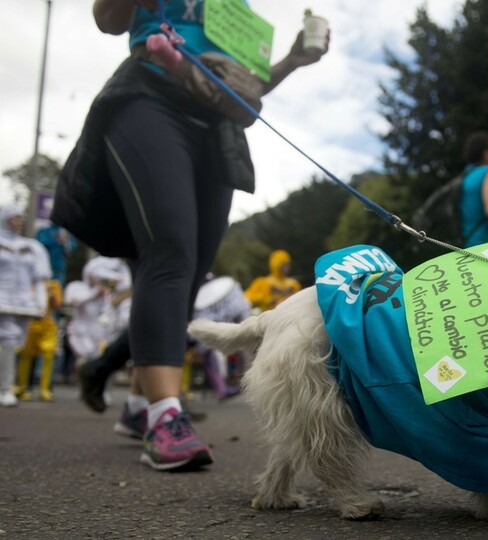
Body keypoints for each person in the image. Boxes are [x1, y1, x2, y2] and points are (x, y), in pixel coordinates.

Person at [52, 0, 329, 470]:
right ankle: (165, 416)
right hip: (149, 98)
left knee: (191, 270)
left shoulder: (235, 11)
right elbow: (107, 19)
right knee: (170, 252)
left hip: (219, 127)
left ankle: (140, 406)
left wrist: (294, 59)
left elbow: (249, 90)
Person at [0, 205, 52, 407]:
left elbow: (39, 280)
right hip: (2, 297)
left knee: (15, 342)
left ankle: (6, 388)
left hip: (23, 302)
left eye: (21, 218)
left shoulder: (33, 247)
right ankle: (6, 389)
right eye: (15, 218)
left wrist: (41, 303)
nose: (19, 222)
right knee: (8, 338)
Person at [15, 279, 62, 402]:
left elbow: (57, 305)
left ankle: (44, 389)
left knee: (48, 355)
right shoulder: (25, 282)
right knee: (25, 356)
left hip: (47, 327)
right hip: (29, 325)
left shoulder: (53, 284)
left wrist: (51, 293)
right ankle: (21, 388)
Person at [35, 222, 77, 287]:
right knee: (44, 289)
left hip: (59, 267)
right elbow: (38, 242)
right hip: (45, 265)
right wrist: (55, 241)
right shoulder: (45, 228)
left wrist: (66, 242)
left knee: (57, 290)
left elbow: (72, 248)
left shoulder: (66, 231)